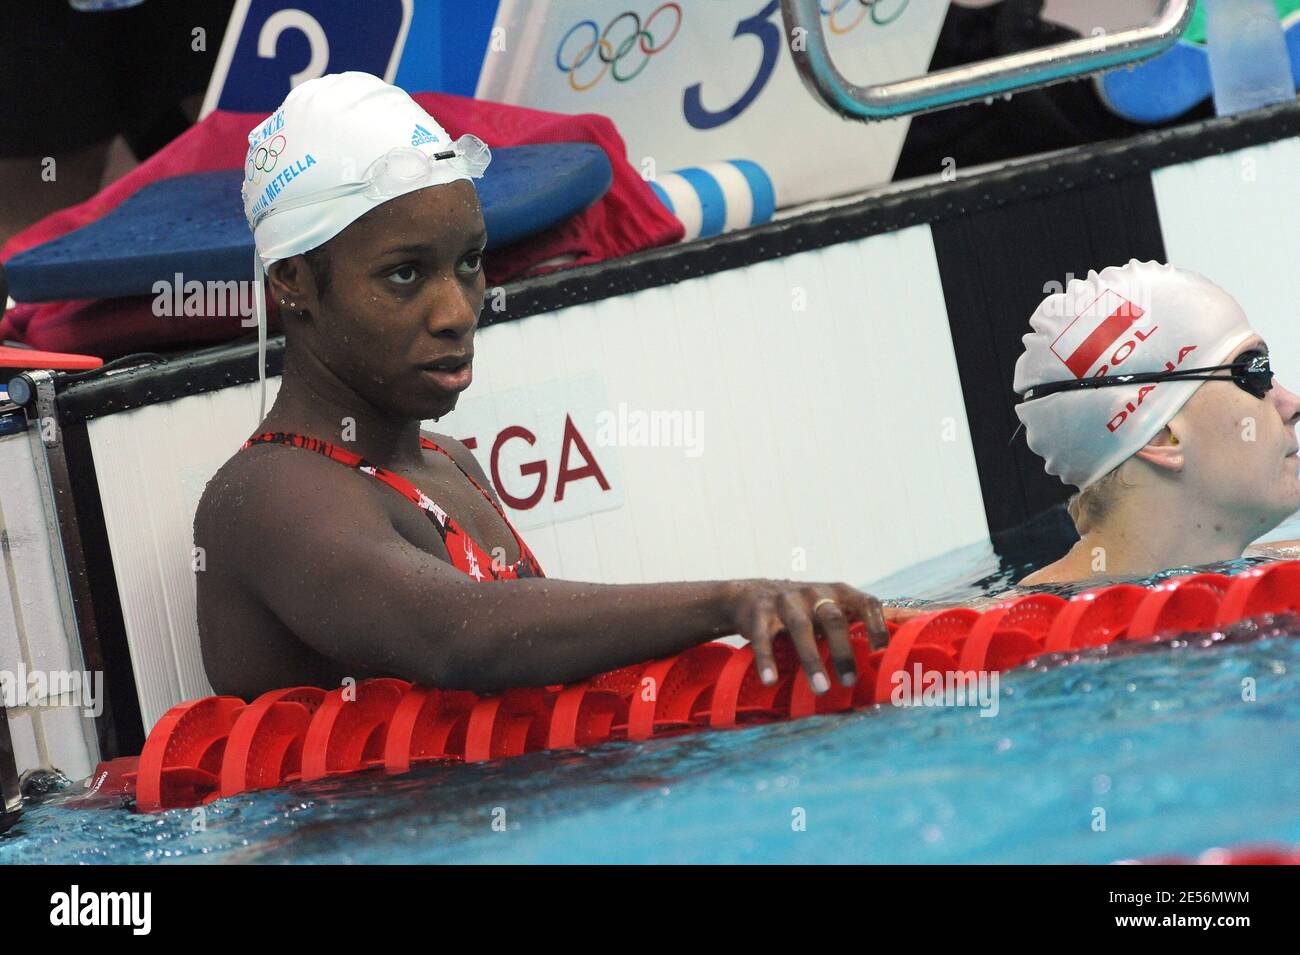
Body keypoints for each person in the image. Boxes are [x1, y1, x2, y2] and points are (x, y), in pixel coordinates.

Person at [195, 73, 899, 700]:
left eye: (469, 262)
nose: (455, 312)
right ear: (291, 282)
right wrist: (733, 601)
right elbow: (456, 639)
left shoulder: (445, 462)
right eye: (404, 274)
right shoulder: (265, 496)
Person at [1012, 260, 1300, 585]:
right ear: (1162, 437)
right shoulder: (1022, 631)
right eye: (1255, 373)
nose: (1292, 405)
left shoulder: (1266, 570)